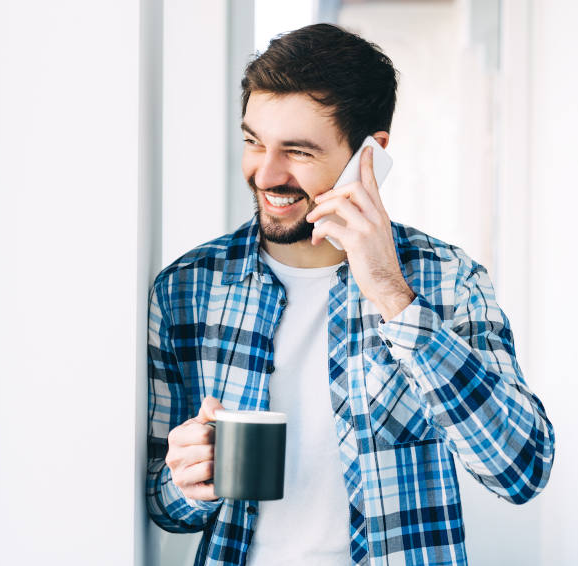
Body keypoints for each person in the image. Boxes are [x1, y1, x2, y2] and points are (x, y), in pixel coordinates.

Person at [146, 23, 555, 566]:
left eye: (297, 151)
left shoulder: (449, 279)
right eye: (253, 141)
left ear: (370, 153)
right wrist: (188, 481)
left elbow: (521, 471)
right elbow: (164, 507)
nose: (264, 173)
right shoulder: (187, 289)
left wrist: (392, 294)